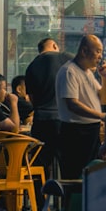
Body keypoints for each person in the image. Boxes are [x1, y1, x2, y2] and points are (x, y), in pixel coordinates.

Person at [55, 34, 106, 179]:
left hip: (91, 130)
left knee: (92, 175)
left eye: (101, 51)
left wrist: (105, 79)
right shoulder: (70, 71)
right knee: (75, 176)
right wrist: (101, 116)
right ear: (84, 51)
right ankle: (72, 202)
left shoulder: (87, 72)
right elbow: (72, 104)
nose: (100, 56)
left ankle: (86, 201)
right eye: (97, 51)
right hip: (76, 132)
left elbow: (104, 99)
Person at [25, 38, 71, 180]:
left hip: (41, 121)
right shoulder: (66, 58)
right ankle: (67, 199)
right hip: (65, 120)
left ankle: (39, 199)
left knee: (40, 165)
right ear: (55, 45)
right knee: (68, 164)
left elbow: (32, 98)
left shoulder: (31, 66)